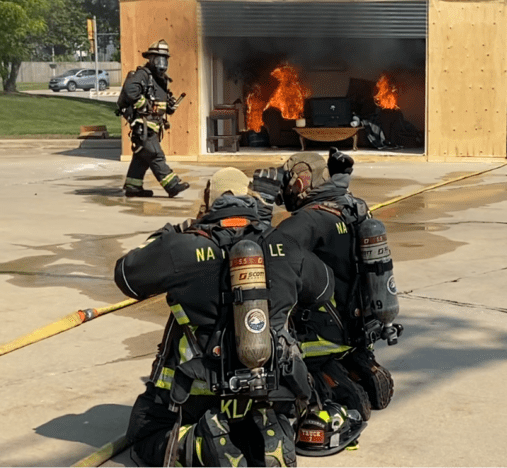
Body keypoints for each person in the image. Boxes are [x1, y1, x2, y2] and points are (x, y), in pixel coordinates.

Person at [115, 167, 340, 466]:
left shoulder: (181, 246)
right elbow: (324, 287)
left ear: (209, 199)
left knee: (144, 435)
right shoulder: (283, 243)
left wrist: (166, 236)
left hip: (198, 392)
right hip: (271, 385)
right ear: (249, 196)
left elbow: (126, 276)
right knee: (259, 412)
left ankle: (203, 446)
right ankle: (267, 431)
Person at [272, 149, 402, 457]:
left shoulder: (308, 221)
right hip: (356, 325)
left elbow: (267, 250)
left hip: (320, 330)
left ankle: (323, 383)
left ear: (301, 183)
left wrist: (259, 208)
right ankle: (354, 368)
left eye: (287, 182)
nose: (284, 190)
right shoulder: (350, 207)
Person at [117, 39, 189, 198]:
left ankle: (133, 187)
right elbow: (131, 90)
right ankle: (172, 185)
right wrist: (143, 105)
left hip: (153, 126)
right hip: (143, 126)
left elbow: (158, 103)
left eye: (164, 59)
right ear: (150, 59)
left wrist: (169, 106)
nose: (161, 63)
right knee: (156, 155)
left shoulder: (159, 79)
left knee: (142, 157)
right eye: (158, 58)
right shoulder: (143, 74)